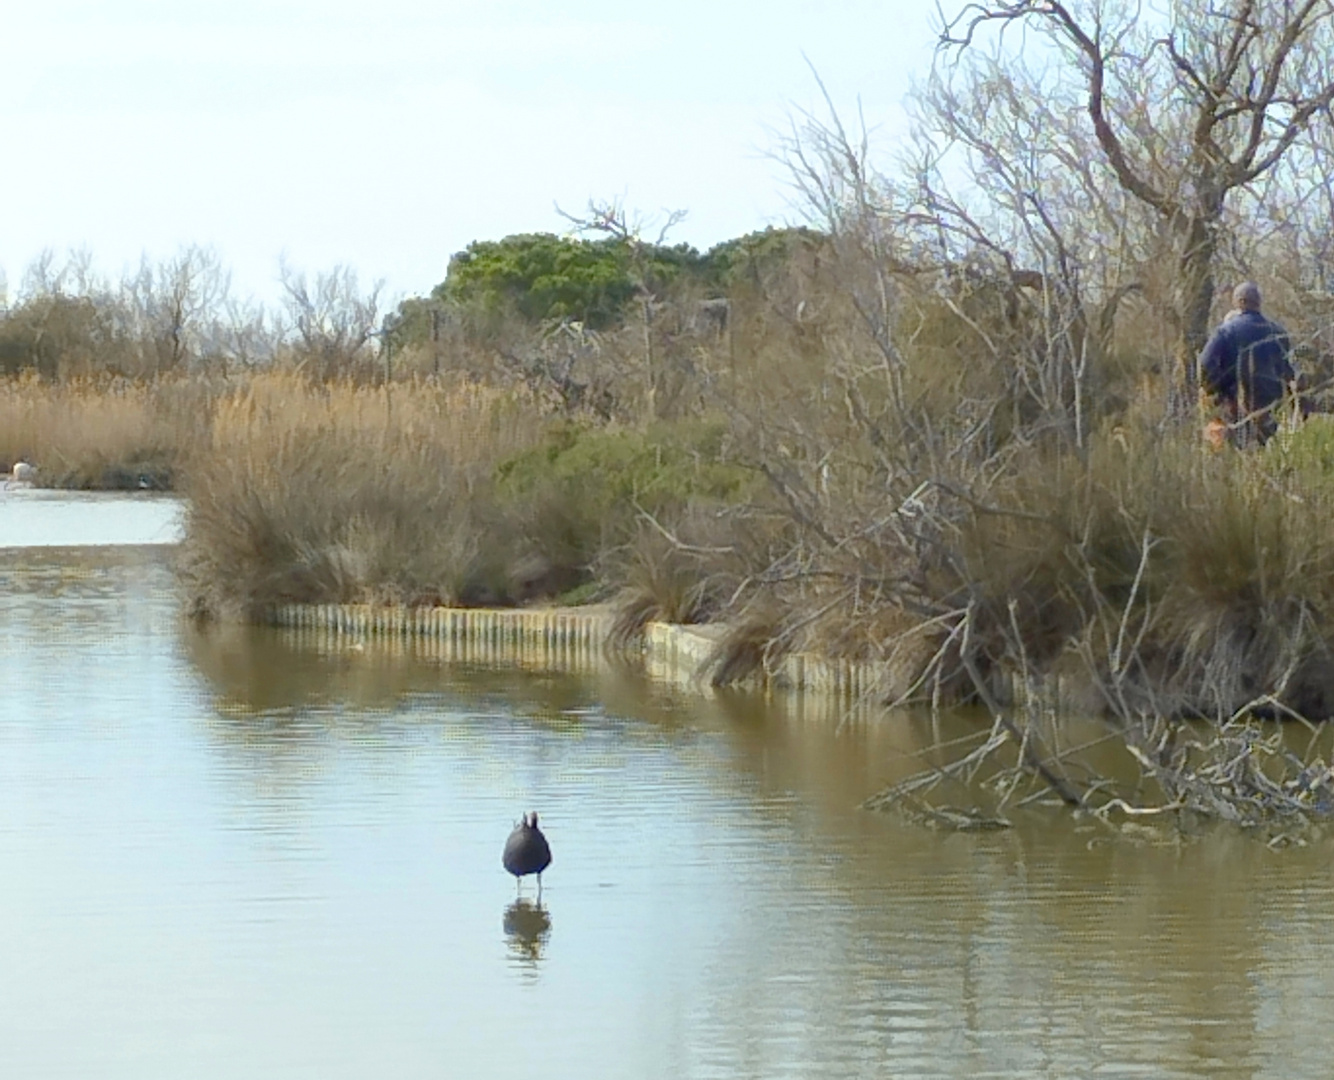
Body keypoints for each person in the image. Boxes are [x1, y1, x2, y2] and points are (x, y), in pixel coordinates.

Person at [1199, 281, 1296, 447]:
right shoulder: (1278, 332)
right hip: (1271, 407)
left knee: (1233, 448)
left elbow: (1205, 365)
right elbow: (1288, 371)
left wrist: (1215, 390)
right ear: (1258, 303)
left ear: (1239, 302)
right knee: (1264, 450)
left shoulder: (1226, 330)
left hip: (1234, 405)